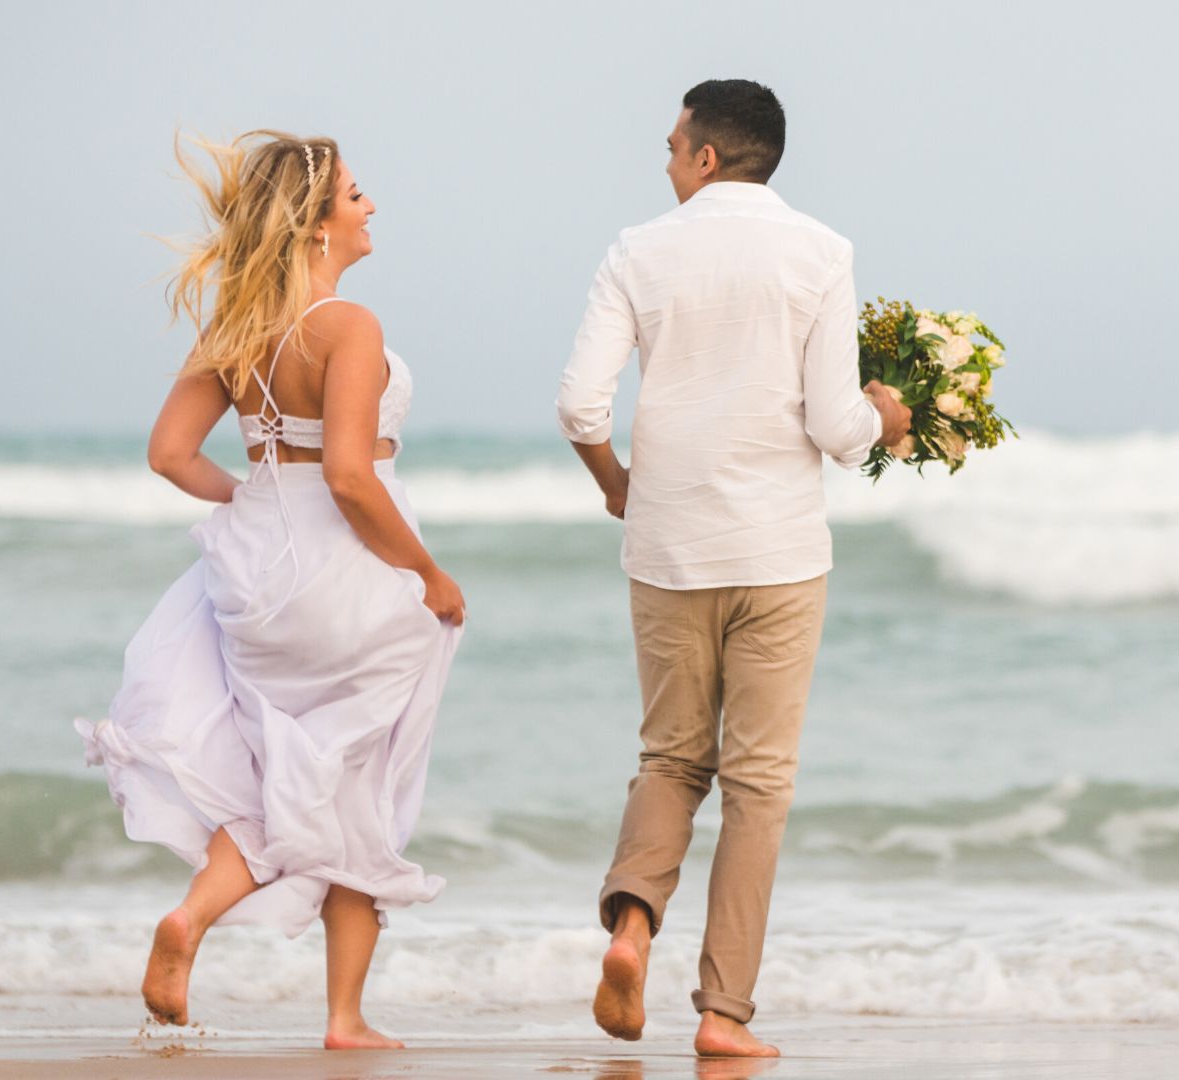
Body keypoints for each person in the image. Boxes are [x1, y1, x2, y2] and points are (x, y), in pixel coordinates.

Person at [74, 129, 466, 1050]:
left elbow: (170, 456)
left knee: (273, 774)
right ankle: (343, 1017)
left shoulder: (237, 328)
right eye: (357, 194)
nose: (371, 207)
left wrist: (251, 497)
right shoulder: (350, 326)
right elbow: (350, 477)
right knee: (358, 779)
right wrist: (428, 570)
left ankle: (190, 920)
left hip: (260, 579)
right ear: (318, 221)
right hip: (348, 576)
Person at [556, 80, 912, 1058]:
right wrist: (887, 413)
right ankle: (723, 1018)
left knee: (672, 758)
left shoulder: (637, 252)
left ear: (708, 156)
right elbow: (839, 430)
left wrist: (615, 482)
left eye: (673, 144)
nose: (665, 158)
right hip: (780, 556)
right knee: (758, 783)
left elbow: (581, 405)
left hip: (669, 550)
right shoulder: (821, 252)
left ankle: (632, 929)